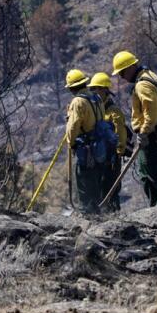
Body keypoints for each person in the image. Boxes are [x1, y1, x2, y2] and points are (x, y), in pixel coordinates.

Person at [112, 50, 157, 206]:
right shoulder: (151, 76)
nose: (121, 77)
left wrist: (145, 132)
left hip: (151, 137)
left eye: (122, 72)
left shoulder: (142, 85)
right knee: (151, 175)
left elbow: (151, 111)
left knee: (154, 175)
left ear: (130, 68)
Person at [64, 68, 105, 214]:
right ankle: (97, 210)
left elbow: (73, 126)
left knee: (83, 180)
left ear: (72, 88)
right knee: (95, 180)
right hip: (99, 146)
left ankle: (88, 213)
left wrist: (71, 142)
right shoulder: (97, 98)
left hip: (85, 148)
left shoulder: (78, 101)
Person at [87, 72, 128, 212]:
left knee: (111, 187)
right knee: (97, 188)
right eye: (92, 89)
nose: (93, 92)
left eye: (96, 88)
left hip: (111, 158)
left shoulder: (113, 111)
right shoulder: (95, 110)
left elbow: (121, 133)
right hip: (97, 157)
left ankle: (113, 215)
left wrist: (118, 153)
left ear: (104, 90)